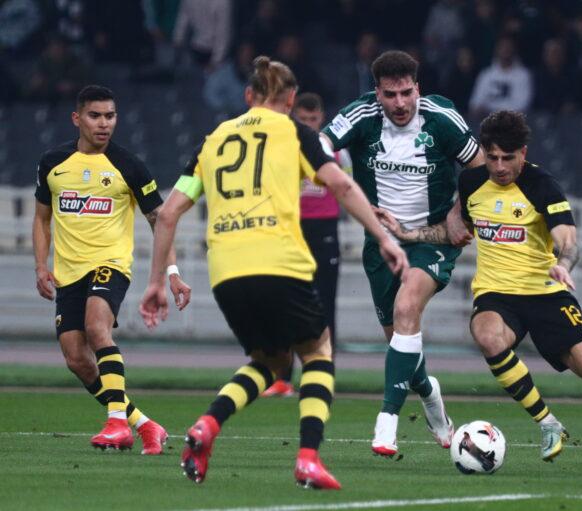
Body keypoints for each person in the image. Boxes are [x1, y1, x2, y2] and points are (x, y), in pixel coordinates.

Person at [139, 56, 408, 488]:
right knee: (317, 352)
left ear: (249, 95)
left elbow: (168, 213)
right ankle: (308, 458)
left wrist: (156, 281)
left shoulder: (214, 139)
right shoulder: (296, 132)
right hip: (279, 262)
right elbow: (340, 184)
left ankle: (208, 424)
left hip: (226, 271)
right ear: (291, 99)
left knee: (270, 360)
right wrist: (384, 237)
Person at [378, 110, 582, 475]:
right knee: (487, 335)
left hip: (547, 294)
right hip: (496, 294)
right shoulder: (472, 182)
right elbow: (454, 232)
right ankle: (548, 423)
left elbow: (569, 241)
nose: (499, 166)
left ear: (523, 152)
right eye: (492, 157)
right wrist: (408, 233)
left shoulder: (542, 185)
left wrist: (563, 266)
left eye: (507, 158)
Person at [320, 50, 484, 457]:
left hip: (433, 238)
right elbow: (320, 143)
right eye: (390, 94)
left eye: (407, 93)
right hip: (382, 243)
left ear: (417, 89)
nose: (400, 103)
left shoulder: (441, 118)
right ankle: (430, 397)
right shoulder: (361, 115)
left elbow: (480, 167)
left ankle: (386, 424)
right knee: (400, 342)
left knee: (407, 307)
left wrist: (458, 213)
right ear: (376, 93)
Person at [32, 85, 191, 454]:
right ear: (77, 118)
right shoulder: (52, 163)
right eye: (95, 116)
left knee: (96, 327)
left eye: (110, 116)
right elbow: (41, 219)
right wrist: (40, 265)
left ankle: (117, 424)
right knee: (76, 359)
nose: (104, 123)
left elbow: (160, 220)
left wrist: (172, 273)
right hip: (68, 272)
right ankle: (144, 424)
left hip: (110, 264)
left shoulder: (129, 165)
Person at [262, 92, 350, 398]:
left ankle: (323, 377)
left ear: (322, 117)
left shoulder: (336, 151)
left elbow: (349, 187)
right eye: (304, 119)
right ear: (294, 118)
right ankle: (282, 379)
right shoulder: (280, 148)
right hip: (291, 229)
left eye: (314, 119)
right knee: (284, 303)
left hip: (325, 230)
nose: (310, 124)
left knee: (324, 306)